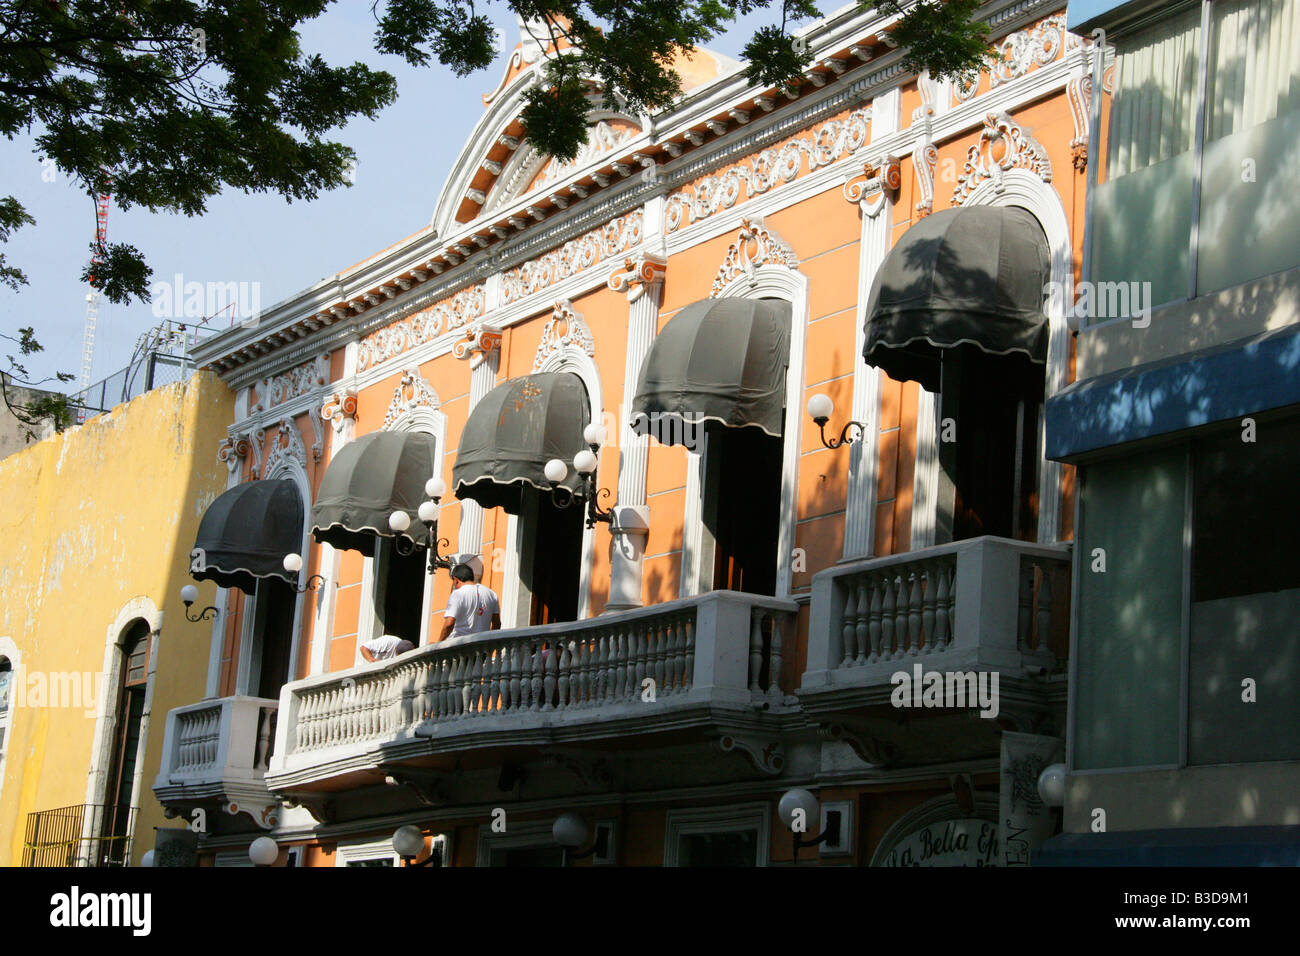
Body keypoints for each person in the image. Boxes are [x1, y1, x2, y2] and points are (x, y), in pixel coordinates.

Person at [440, 563, 501, 641]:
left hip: (460, 646)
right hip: (481, 647)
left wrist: (438, 644)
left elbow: (449, 624)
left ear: (456, 580)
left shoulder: (458, 594)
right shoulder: (492, 594)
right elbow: (497, 624)